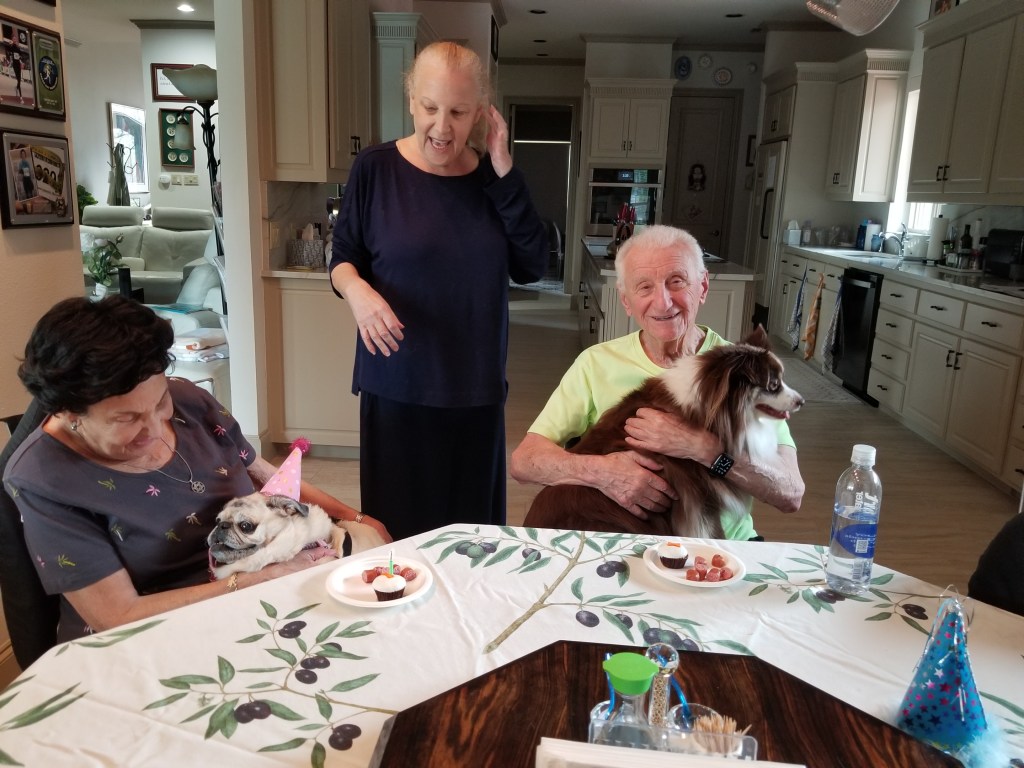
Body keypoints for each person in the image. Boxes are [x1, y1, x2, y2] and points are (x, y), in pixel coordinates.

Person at [3, 296, 391, 643]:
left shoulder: (191, 401)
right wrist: (259, 580)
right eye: (127, 418)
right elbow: (118, 615)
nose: (156, 429)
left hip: (259, 590)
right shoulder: (45, 478)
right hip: (155, 632)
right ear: (69, 413)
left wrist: (358, 517)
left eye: (160, 403)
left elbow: (270, 479)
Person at [329, 41, 547, 541]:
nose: (442, 127)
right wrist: (357, 291)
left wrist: (504, 170)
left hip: (473, 388)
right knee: (398, 540)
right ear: (411, 100)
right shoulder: (375, 168)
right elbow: (342, 257)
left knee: (473, 541)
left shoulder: (495, 178)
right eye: (430, 107)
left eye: (458, 112)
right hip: (396, 383)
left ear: (481, 113)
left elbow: (533, 265)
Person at [510, 225, 804, 539]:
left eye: (677, 282)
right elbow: (524, 462)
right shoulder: (596, 363)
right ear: (626, 300)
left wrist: (704, 449)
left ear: (703, 287)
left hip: (727, 545)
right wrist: (605, 472)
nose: (663, 302)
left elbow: (790, 494)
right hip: (625, 538)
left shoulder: (744, 373)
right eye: (644, 287)